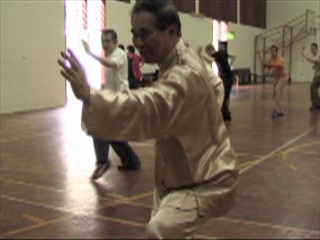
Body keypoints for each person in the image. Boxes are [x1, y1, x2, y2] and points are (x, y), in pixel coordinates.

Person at [58, 0, 238, 238]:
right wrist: (203, 115)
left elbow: (149, 106)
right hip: (173, 177)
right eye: (134, 34)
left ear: (172, 31)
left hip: (208, 181)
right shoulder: (176, 62)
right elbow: (215, 86)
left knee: (159, 231)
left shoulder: (186, 73)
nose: (138, 42)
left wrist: (91, 96)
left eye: (145, 34)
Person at [82, 29, 141, 180]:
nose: (105, 44)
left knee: (100, 127)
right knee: (113, 133)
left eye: (108, 41)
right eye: (103, 41)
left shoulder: (120, 54)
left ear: (115, 41)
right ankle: (132, 161)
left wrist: (90, 54)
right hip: (112, 98)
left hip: (121, 100)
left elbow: (111, 64)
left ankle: (102, 161)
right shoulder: (110, 55)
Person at [198, 44, 235, 121]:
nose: (209, 55)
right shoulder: (222, 53)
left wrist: (200, 54)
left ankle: (225, 114)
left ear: (210, 51)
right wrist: (229, 66)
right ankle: (225, 113)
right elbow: (235, 55)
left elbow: (210, 60)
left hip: (226, 77)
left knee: (223, 95)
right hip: (230, 75)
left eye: (208, 53)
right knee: (226, 95)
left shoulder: (217, 55)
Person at [264, 45, 288, 118]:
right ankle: (280, 110)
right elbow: (269, 69)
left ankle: (276, 110)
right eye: (271, 51)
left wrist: (268, 65)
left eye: (274, 51)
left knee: (277, 90)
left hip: (283, 77)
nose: (272, 52)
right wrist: (268, 71)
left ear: (276, 52)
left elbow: (277, 66)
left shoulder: (280, 59)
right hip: (276, 78)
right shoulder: (271, 59)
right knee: (275, 94)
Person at [301, 43, 320, 111]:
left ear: (316, 49)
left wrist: (304, 56)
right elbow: (316, 63)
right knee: (313, 88)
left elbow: (313, 61)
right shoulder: (316, 56)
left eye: (314, 48)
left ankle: (316, 103)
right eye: (311, 48)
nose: (312, 50)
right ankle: (316, 103)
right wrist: (315, 66)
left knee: (313, 86)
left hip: (318, 75)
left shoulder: (318, 55)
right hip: (316, 74)